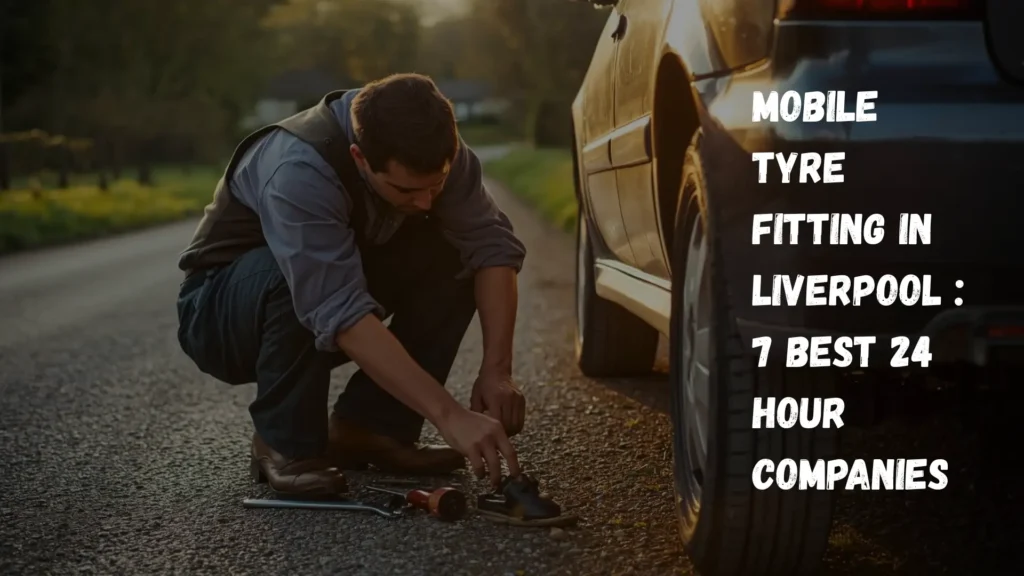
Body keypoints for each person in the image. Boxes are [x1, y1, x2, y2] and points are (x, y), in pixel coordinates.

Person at [175, 73, 527, 498]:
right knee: (293, 273)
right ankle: (284, 443)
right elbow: (335, 307)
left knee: (455, 253)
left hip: (324, 295)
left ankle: (372, 427)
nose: (425, 202)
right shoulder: (299, 167)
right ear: (360, 157)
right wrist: (449, 415)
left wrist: (497, 371)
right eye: (406, 189)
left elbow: (492, 249)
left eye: (436, 185)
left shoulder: (443, 152)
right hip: (221, 319)